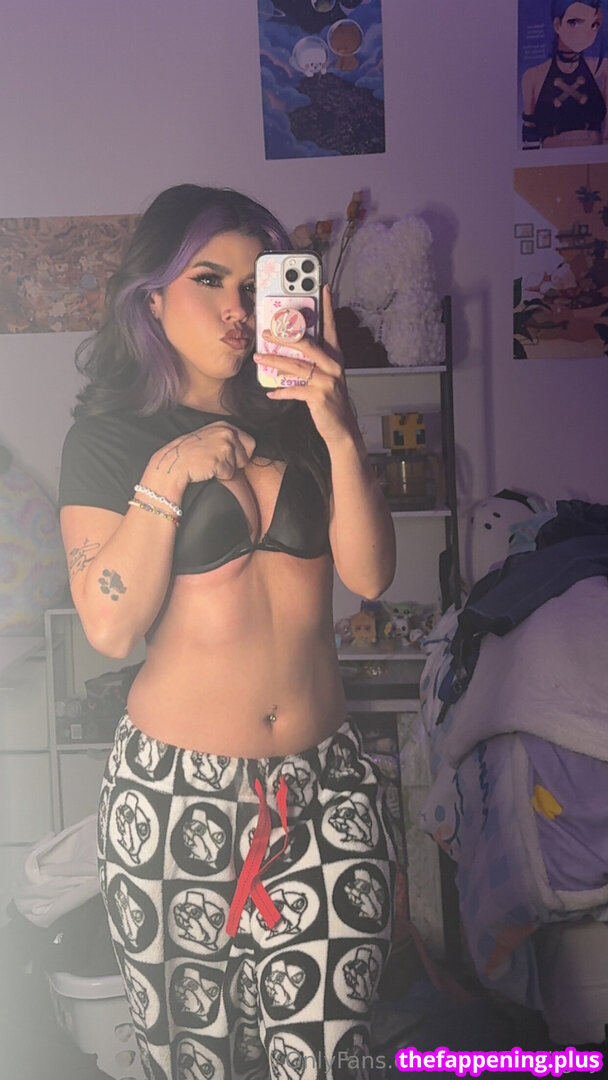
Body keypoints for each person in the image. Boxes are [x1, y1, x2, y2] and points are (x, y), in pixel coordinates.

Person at [58, 183, 397, 1080]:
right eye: (209, 279)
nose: (238, 308)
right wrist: (169, 475)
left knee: (328, 1056)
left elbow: (371, 577)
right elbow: (109, 627)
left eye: (255, 285)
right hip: (173, 799)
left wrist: (341, 429)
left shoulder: (302, 416)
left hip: (324, 789)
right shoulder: (107, 440)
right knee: (193, 1062)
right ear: (151, 296)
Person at [521, 0, 608, 147]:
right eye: (574, 23)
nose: (585, 33)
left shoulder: (603, 70)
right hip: (551, 157)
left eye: (594, 25)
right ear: (557, 25)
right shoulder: (532, 77)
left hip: (592, 155)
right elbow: (530, 138)